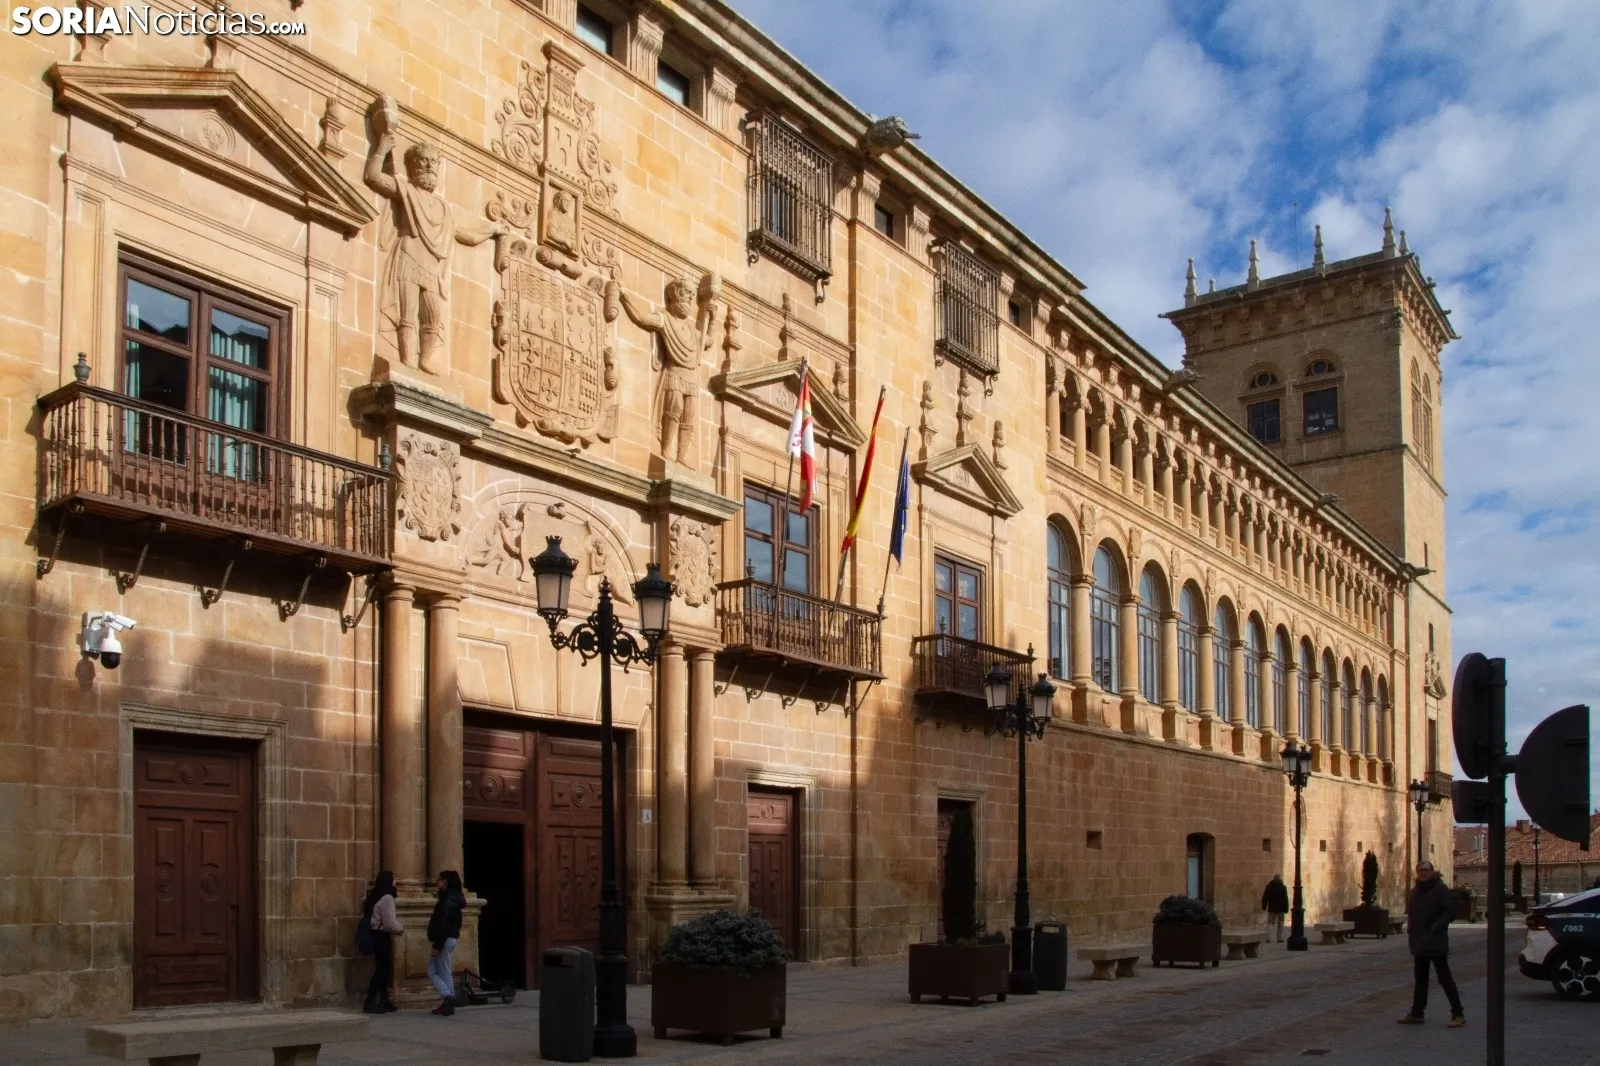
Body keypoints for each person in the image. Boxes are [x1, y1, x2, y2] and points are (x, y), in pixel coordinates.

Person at [1398, 860, 1464, 1027]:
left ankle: (1458, 1014)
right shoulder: (1415, 892)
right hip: (1420, 942)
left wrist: (1436, 927)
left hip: (1436, 942)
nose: (1423, 873)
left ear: (1432, 871)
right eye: (1420, 870)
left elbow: (1449, 912)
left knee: (1445, 978)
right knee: (1420, 979)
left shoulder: (1440, 889)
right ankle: (1417, 1013)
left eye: (1426, 870)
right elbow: (1412, 915)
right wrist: (1412, 933)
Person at [362, 871, 402, 1014]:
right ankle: (370, 1001)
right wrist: (401, 928)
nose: (395, 881)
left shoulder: (377, 896)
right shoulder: (387, 898)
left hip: (376, 935)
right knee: (382, 970)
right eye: (393, 879)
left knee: (383, 969)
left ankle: (384, 999)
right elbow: (389, 922)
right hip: (382, 936)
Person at [426, 869, 465, 1016]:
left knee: (435, 971)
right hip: (447, 938)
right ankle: (449, 1001)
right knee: (441, 970)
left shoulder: (448, 900)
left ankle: (448, 997)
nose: (436, 882)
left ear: (445, 882)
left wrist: (437, 945)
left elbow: (444, 924)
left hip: (444, 939)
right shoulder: (451, 898)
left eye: (439, 879)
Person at [1261, 873, 1290, 942]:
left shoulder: (1269, 887)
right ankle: (1279, 938)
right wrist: (1286, 908)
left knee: (1270, 923)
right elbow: (1285, 899)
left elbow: (1265, 898)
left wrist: (1264, 907)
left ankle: (1268, 937)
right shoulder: (1283, 887)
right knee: (1280, 923)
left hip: (1272, 908)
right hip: (1281, 909)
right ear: (1280, 879)